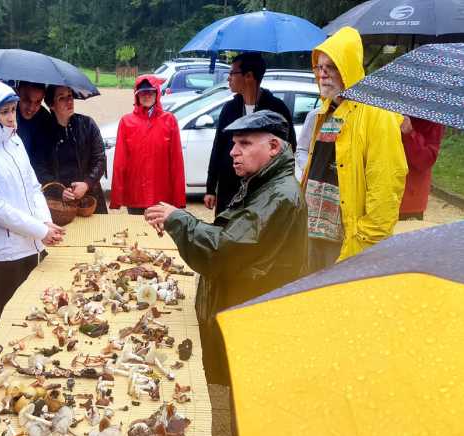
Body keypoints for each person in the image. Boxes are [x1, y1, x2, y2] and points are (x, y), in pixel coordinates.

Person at [145, 110, 307, 386]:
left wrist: (179, 219)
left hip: (256, 319)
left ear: (273, 147)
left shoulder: (278, 195)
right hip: (252, 310)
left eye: (244, 143)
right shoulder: (264, 183)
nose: (233, 152)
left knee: (249, 394)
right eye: (234, 144)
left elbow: (223, 249)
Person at [0, 80, 65, 329]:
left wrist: (45, 221)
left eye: (12, 110)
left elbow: (32, 184)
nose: (11, 117)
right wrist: (40, 230)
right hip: (4, 252)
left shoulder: (14, 140)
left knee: (33, 312)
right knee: (8, 318)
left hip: (31, 243)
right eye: (4, 112)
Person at [303, 27, 407, 272]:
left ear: (348, 68)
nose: (323, 75)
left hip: (346, 242)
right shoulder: (326, 110)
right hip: (312, 235)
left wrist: (363, 244)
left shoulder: (377, 114)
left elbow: (386, 185)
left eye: (331, 67)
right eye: (319, 67)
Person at [204, 52, 296, 216]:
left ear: (248, 76)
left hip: (262, 188)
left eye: (232, 73)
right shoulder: (229, 109)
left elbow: (290, 148)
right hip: (229, 187)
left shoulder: (276, 108)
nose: (228, 78)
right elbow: (218, 148)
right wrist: (211, 188)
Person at [109, 75, 186, 214]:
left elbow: (176, 162)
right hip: (135, 194)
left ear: (157, 93)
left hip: (161, 195)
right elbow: (120, 162)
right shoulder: (126, 122)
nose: (146, 96)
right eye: (142, 93)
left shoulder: (169, 120)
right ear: (136, 96)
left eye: (150, 92)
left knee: (160, 233)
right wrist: (116, 198)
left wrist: (179, 198)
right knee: (136, 233)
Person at [35, 85, 108, 214]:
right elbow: (40, 169)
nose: (69, 101)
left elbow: (100, 159)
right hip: (61, 205)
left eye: (70, 96)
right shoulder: (43, 133)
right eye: (61, 98)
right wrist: (59, 191)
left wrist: (86, 184)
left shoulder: (87, 124)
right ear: (51, 105)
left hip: (91, 199)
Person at [399, 116, 444, 220]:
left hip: (408, 200)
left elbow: (425, 160)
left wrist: (409, 133)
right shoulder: (385, 108)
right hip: (377, 194)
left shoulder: (432, 118)